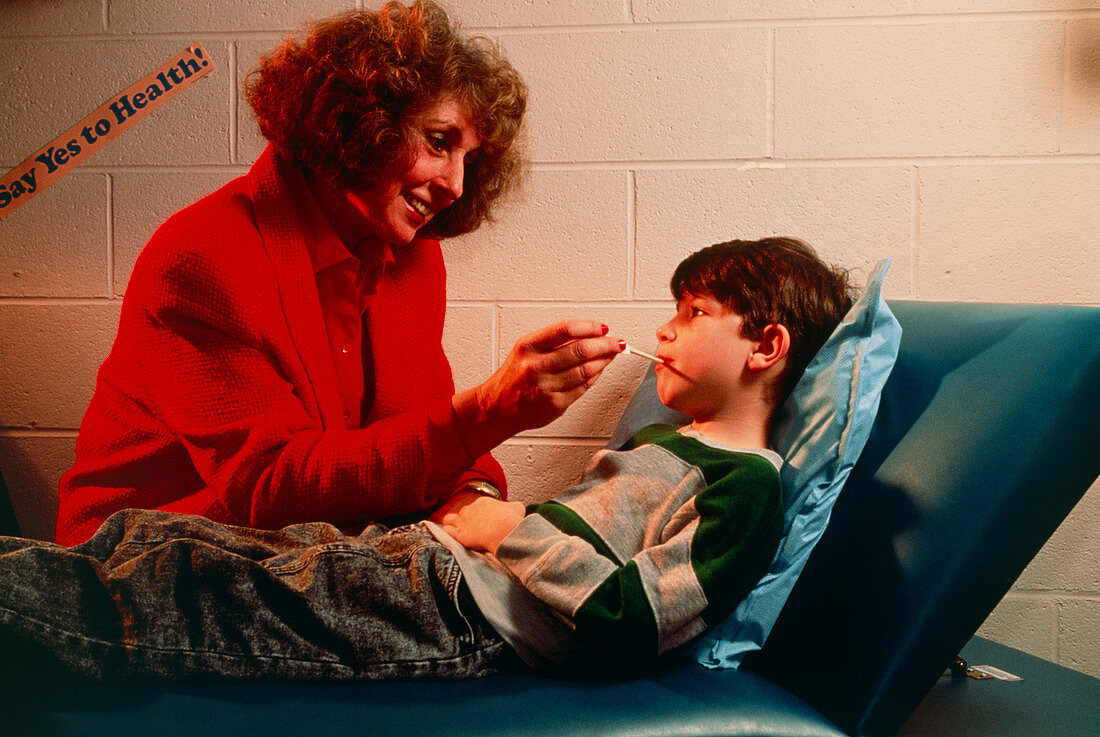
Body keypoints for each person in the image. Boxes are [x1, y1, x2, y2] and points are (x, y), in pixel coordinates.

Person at [1, 238, 854, 681]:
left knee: (188, 597)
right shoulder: (670, 445)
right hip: (434, 568)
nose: (664, 329)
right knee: (163, 540)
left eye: (692, 312)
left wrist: (505, 524)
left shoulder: (747, 491)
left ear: (765, 344)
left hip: (458, 620)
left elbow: (631, 614)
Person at [55, 1, 622, 546]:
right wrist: (489, 412)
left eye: (469, 160)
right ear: (358, 119)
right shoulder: (202, 255)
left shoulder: (413, 257)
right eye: (439, 142)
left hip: (306, 551)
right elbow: (271, 486)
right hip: (145, 557)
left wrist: (470, 494)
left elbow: (413, 435)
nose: (455, 185)